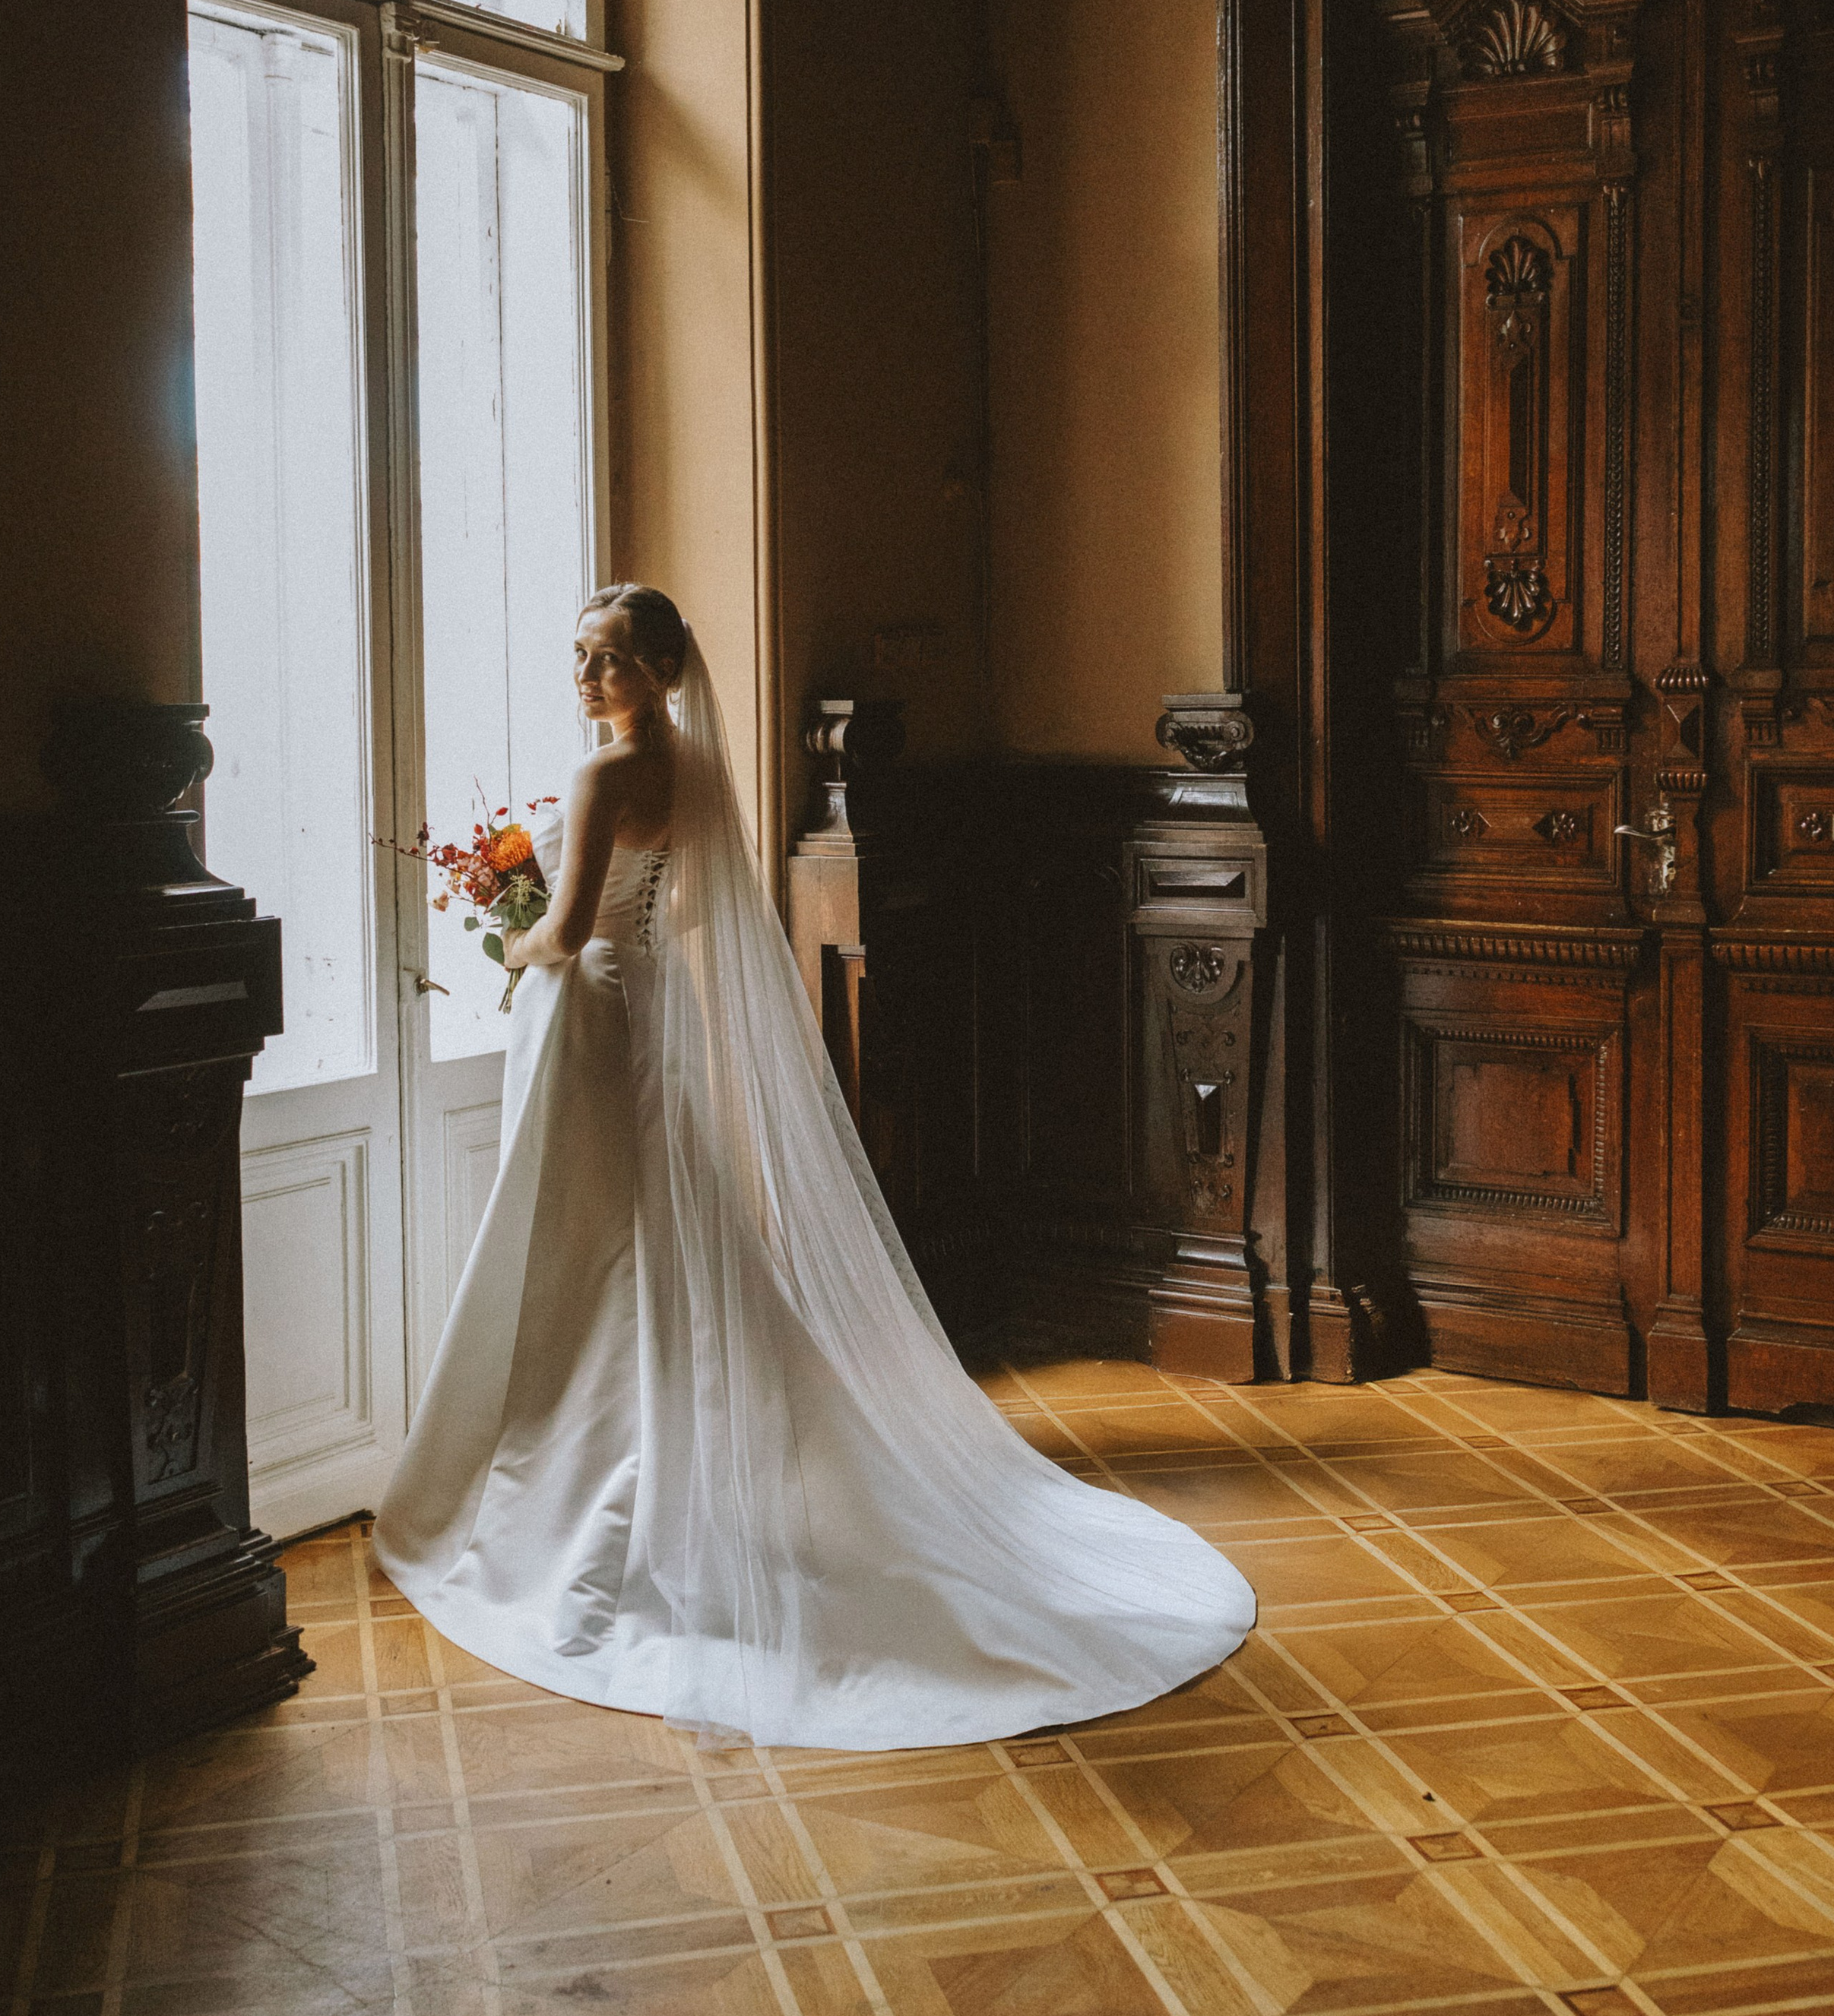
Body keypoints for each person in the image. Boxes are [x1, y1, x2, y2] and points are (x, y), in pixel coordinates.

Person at [374, 585, 1256, 1749]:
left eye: (608, 662)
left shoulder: (601, 779)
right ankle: (664, 1473)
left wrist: (512, 919)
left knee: (589, 1240)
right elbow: (687, 920)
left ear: (659, 673)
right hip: (638, 1013)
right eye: (579, 659)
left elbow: (574, 929)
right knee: (633, 1233)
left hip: (587, 1014)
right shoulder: (693, 769)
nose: (585, 680)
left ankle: (597, 1498)